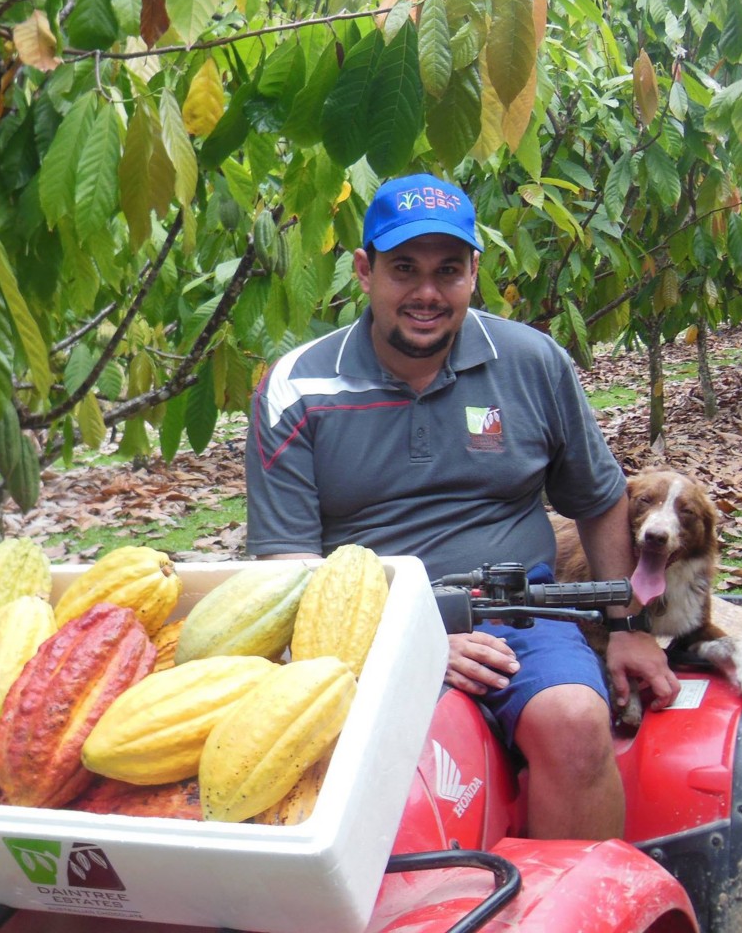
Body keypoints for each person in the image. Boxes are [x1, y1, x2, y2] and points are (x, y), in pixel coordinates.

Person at [244, 172, 680, 840]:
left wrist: (627, 625)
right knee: (319, 781)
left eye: (448, 270)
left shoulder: (532, 362)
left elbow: (598, 499)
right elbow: (290, 566)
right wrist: (412, 646)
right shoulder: (298, 386)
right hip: (358, 627)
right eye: (404, 269)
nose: (426, 292)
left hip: (515, 610)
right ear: (364, 271)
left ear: (475, 272)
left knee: (576, 723)